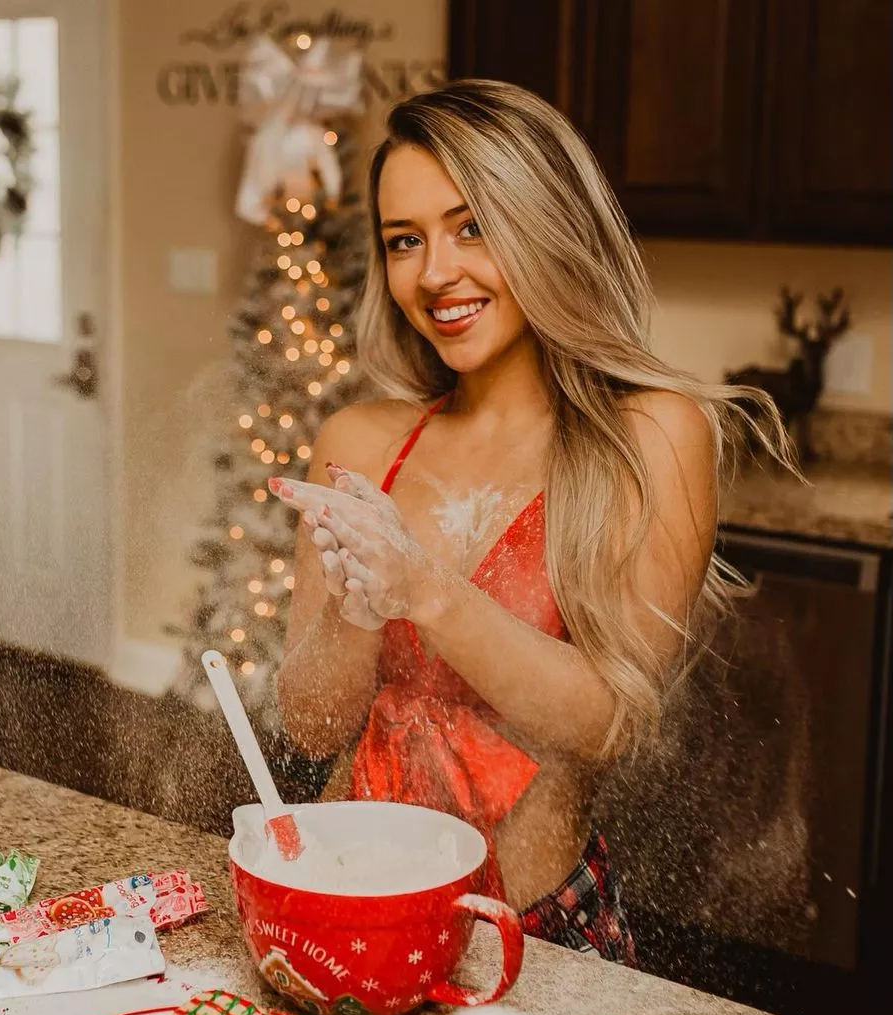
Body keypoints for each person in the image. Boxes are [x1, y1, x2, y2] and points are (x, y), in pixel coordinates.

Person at [270, 80, 791, 964]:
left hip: (534, 939)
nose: (435, 273)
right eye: (405, 241)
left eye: (472, 226)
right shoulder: (359, 443)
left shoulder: (650, 439)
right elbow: (312, 729)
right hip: (349, 909)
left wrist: (428, 592)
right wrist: (356, 607)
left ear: (545, 225)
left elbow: (608, 725)